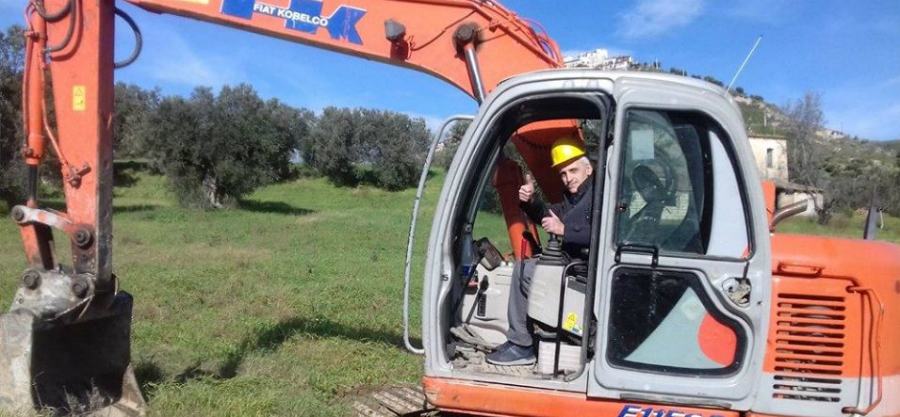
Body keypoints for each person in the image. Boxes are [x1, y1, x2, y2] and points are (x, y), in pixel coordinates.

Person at [486, 136, 594, 366]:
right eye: (563, 174)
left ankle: (522, 345)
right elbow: (549, 217)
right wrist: (531, 202)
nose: (568, 178)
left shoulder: (601, 196)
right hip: (572, 264)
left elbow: (604, 233)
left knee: (526, 272)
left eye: (573, 170)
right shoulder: (574, 198)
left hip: (584, 268)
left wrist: (565, 230)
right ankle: (521, 340)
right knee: (524, 267)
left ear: (589, 168)